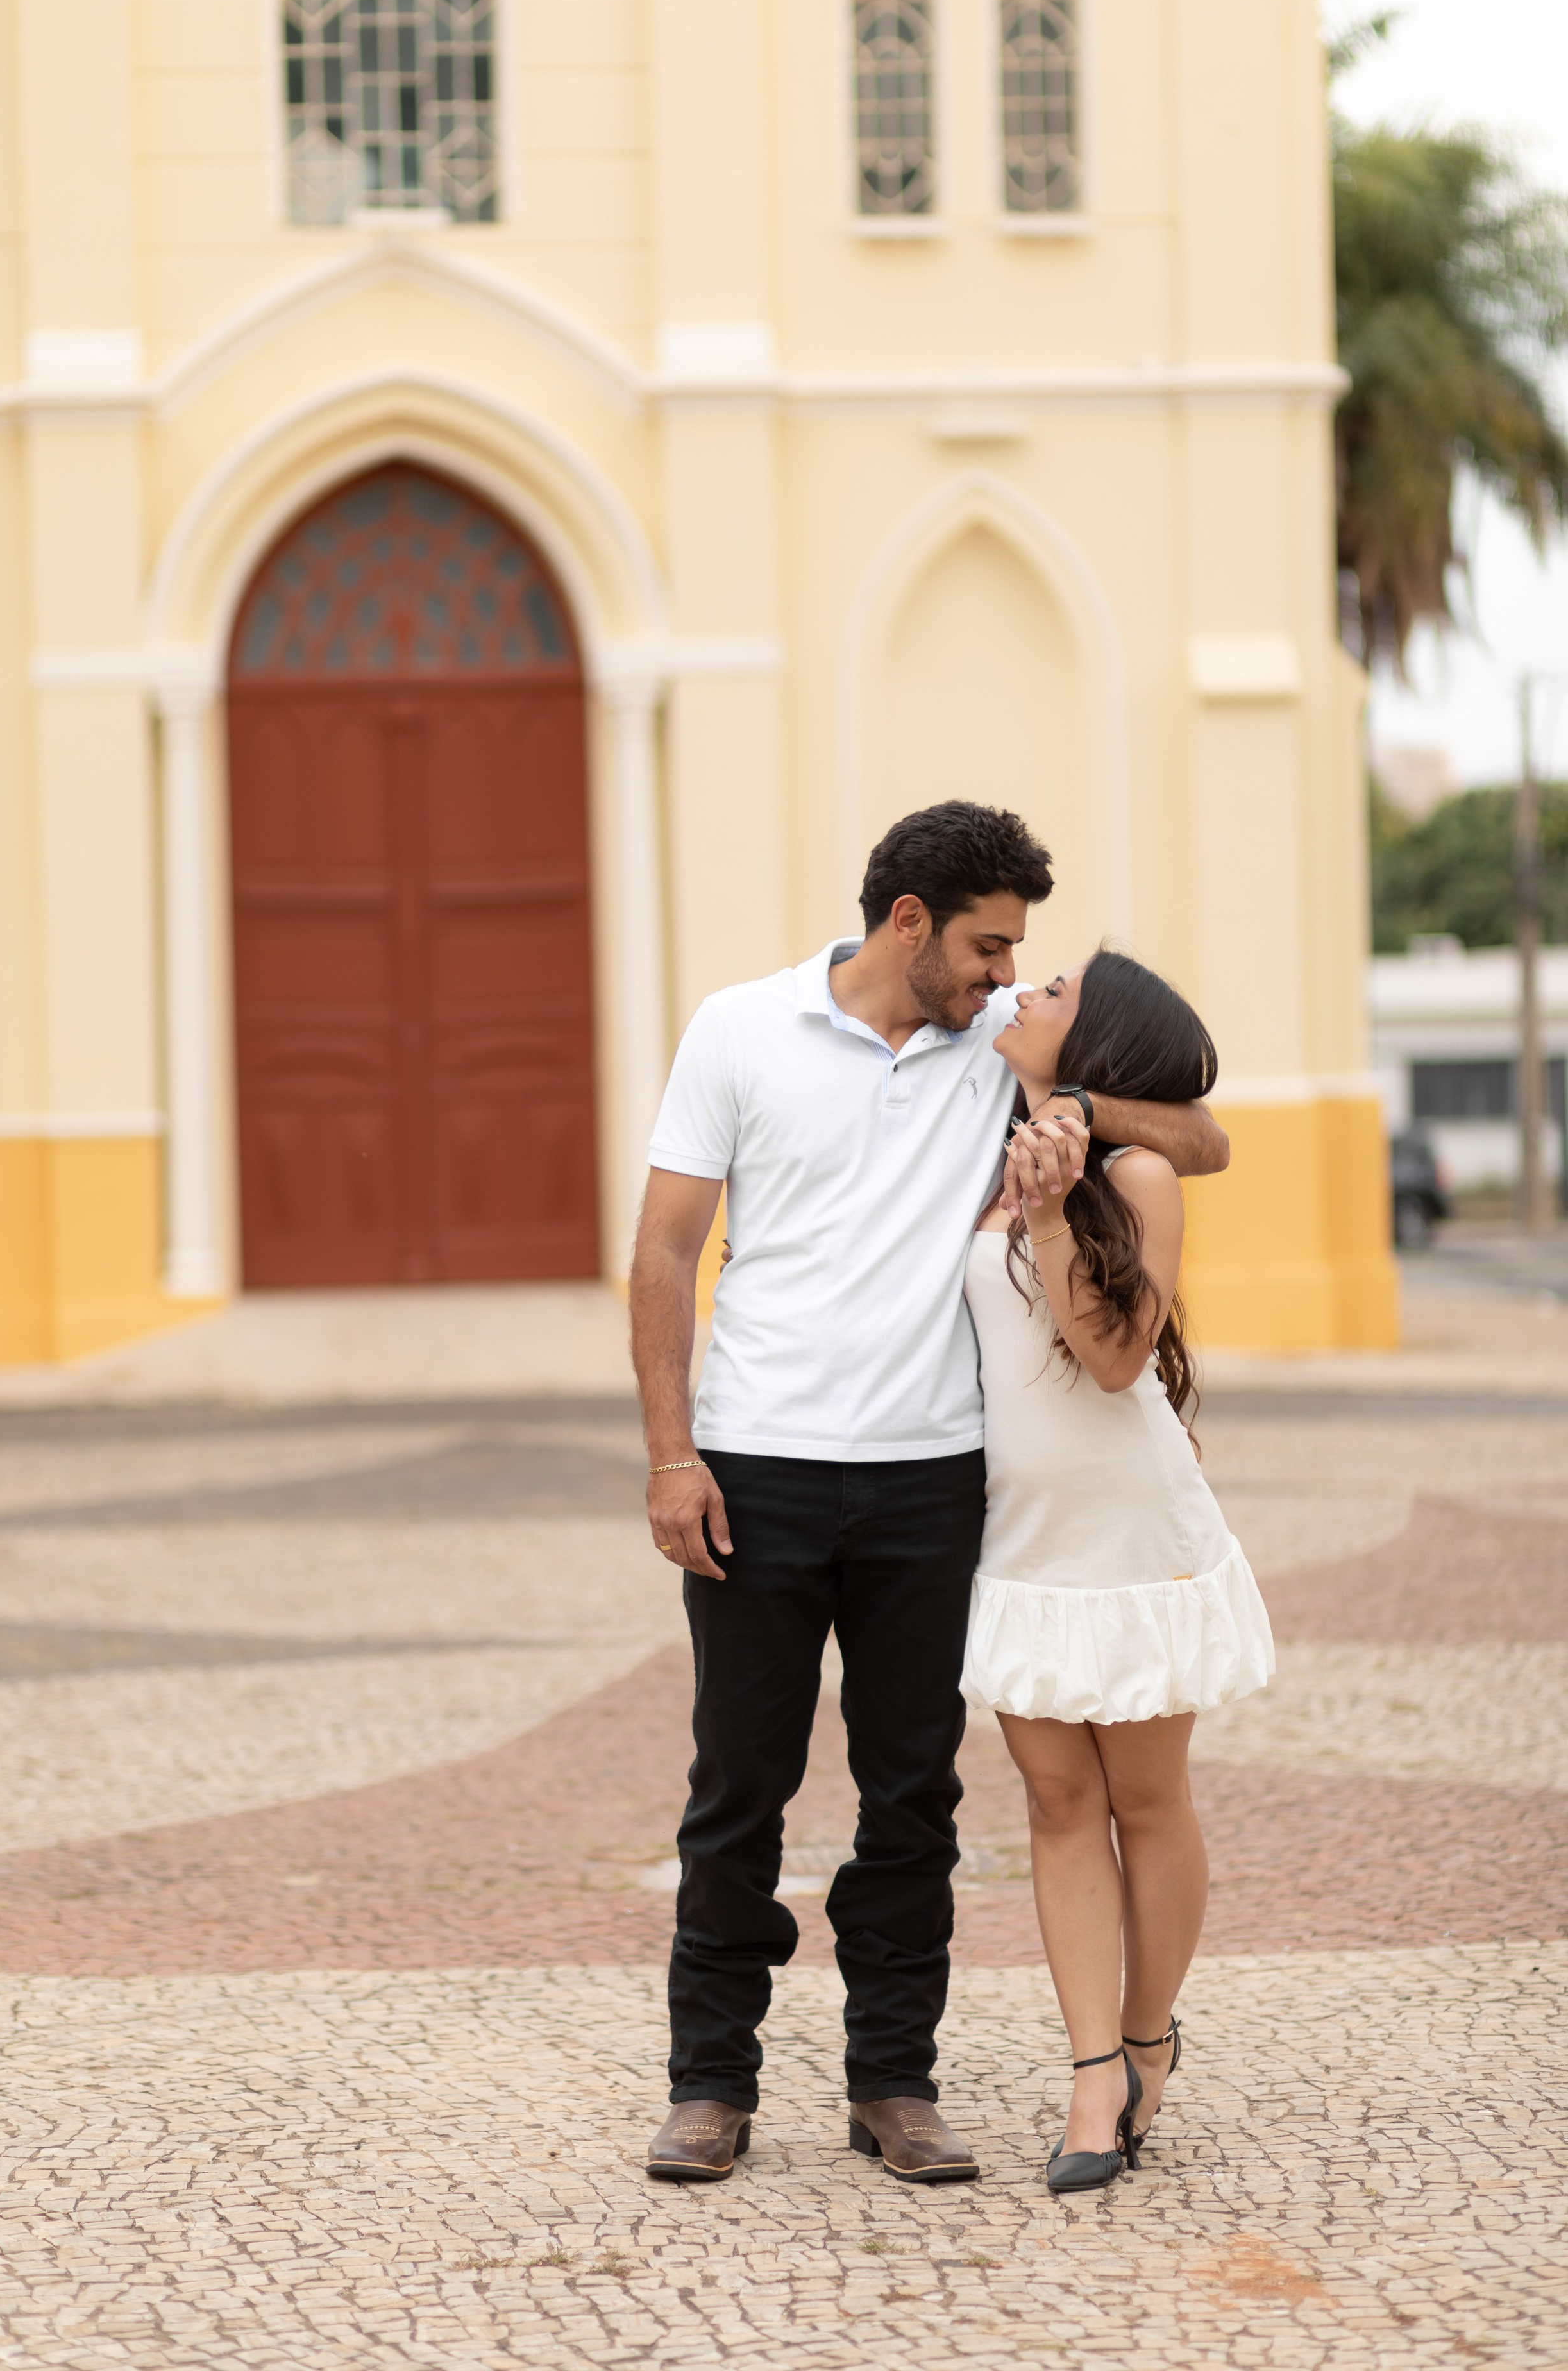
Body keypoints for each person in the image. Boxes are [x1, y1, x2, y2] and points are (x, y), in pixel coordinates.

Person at [629, 801, 1231, 2185]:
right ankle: (709, 2083)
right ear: (907, 922)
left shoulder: (997, 1039)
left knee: (912, 1799)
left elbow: (1197, 1142)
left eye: (1011, 953)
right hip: (758, 1469)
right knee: (738, 1791)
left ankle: (892, 2084)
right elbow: (664, 1252)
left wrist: (1068, 1104)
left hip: (929, 1478)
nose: (999, 973)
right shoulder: (738, 1028)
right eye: (981, 946)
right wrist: (673, 1453)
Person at [961, 947, 1274, 2195]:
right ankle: (1090, 2066)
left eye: (1056, 994)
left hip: (1131, 1527)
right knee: (1049, 1803)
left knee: (1142, 1801)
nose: (1025, 990)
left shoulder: (1134, 1173)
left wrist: (1049, 1203)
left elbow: (1107, 1357)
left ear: (1097, 1051)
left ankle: (1144, 2043)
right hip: (1015, 1534)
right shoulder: (973, 1146)